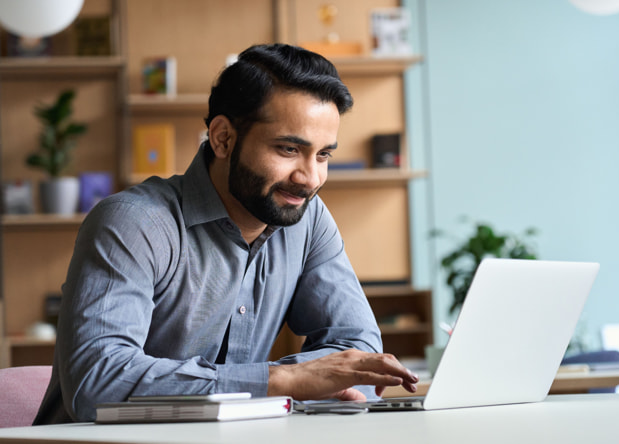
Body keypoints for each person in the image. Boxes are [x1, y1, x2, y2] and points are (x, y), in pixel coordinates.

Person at [34, 43, 418, 424]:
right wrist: (282, 380)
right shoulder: (132, 223)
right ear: (222, 139)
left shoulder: (308, 218)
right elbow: (97, 383)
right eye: (288, 149)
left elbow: (359, 349)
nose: (310, 179)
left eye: (323, 155)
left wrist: (306, 381)